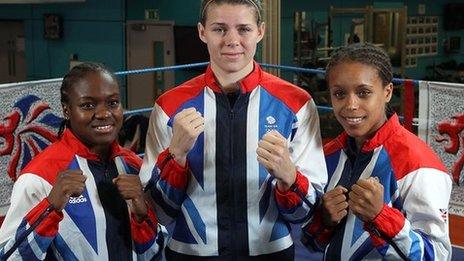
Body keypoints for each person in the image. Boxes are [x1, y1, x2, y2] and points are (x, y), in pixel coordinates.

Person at [139, 0, 327, 259]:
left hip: (269, 253)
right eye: (219, 29)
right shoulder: (169, 106)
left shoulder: (296, 104)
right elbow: (157, 212)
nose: (232, 40)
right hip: (191, 253)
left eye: (243, 29)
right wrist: (175, 157)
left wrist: (289, 178)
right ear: (202, 32)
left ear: (260, 31)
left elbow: (306, 214)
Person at [301, 43, 452, 260]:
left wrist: (381, 217)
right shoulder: (329, 154)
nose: (351, 104)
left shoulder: (418, 164)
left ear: (388, 91)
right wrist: (324, 221)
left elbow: (438, 256)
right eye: (339, 93)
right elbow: (312, 243)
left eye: (364, 93)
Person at [0, 63, 165, 260]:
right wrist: (49, 210)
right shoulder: (39, 177)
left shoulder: (134, 167)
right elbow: (8, 256)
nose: (104, 114)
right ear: (67, 110)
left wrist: (142, 216)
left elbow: (156, 252)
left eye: (113, 103)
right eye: (88, 105)